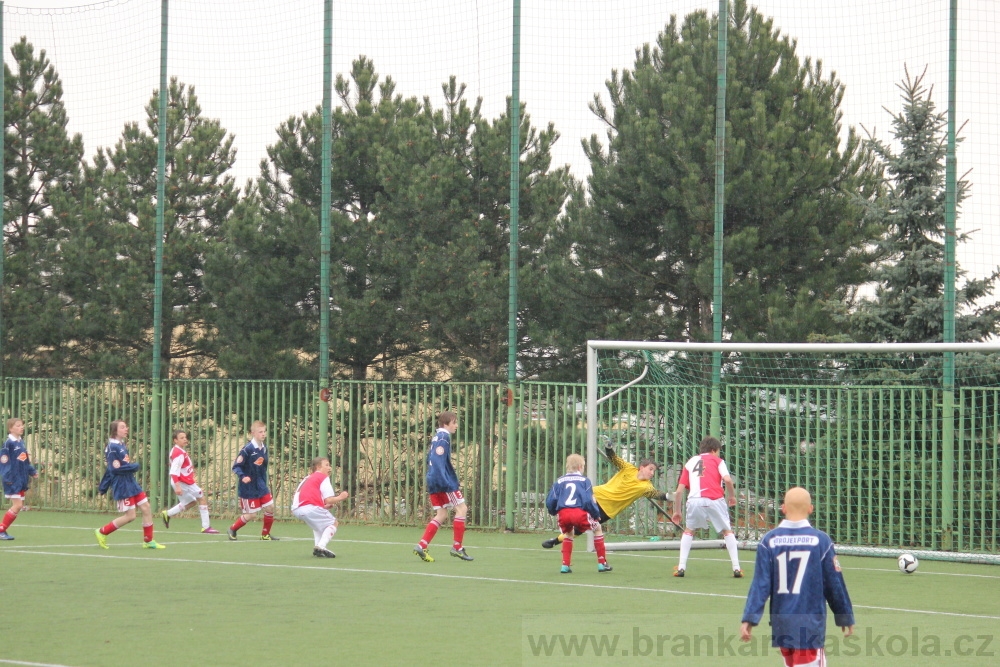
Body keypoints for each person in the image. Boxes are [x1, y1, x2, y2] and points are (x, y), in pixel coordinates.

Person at [740, 486, 855, 666]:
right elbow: (834, 583)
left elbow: (760, 584)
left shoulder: (768, 541)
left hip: (782, 622)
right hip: (809, 623)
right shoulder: (821, 541)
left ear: (783, 508)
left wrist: (749, 618)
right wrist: (844, 615)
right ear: (811, 509)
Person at [541, 442, 669, 556]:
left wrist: (670, 496)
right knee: (571, 511)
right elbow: (614, 459)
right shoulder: (629, 468)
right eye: (651, 469)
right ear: (642, 467)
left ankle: (555, 541)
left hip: (607, 510)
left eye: (654, 471)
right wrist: (609, 448)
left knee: (580, 529)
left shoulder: (647, 487)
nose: (652, 473)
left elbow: (658, 495)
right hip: (596, 495)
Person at [671, 435, 742, 577]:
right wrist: (732, 496)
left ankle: (681, 567)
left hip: (694, 500)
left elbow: (679, 491)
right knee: (727, 531)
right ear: (714, 450)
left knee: (689, 531)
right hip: (715, 499)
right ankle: (736, 568)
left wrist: (677, 511)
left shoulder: (690, 462)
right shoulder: (718, 461)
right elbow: (728, 480)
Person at [412, 411, 473, 562]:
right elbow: (437, 459)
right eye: (454, 423)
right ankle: (457, 547)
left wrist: (432, 475)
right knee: (462, 509)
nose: (456, 425)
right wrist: (445, 481)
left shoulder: (436, 437)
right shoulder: (444, 437)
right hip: (442, 481)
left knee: (442, 514)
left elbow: (429, 458)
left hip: (433, 479)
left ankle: (422, 545)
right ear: (446, 424)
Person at [95, 420, 165, 549]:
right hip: (122, 485)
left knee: (146, 507)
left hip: (130, 482)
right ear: (115, 431)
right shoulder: (112, 447)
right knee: (130, 516)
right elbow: (114, 469)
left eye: (126, 426)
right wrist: (133, 467)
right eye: (122, 427)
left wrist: (130, 468)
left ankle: (148, 541)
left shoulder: (121, 445)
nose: (126, 429)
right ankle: (102, 531)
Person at [544, 453, 611, 573]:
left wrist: (553, 511)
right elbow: (588, 500)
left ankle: (565, 565)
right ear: (580, 467)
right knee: (598, 529)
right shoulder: (585, 481)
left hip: (564, 513)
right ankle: (602, 563)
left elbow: (551, 500)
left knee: (569, 534)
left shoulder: (559, 481)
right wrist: (596, 515)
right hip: (579, 513)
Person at [159, 429, 220, 534]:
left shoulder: (176, 450)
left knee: (191, 502)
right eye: (181, 438)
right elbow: (174, 471)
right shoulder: (179, 453)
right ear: (175, 440)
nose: (185, 440)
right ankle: (206, 527)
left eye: (185, 437)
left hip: (182, 481)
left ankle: (168, 514)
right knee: (202, 498)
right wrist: (178, 486)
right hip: (183, 482)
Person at [229, 420, 278, 540]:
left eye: (264, 431)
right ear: (253, 433)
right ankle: (233, 528)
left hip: (260, 485)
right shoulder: (247, 449)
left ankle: (265, 534)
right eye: (260, 432)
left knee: (270, 507)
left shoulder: (264, 448)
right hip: (248, 488)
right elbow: (236, 466)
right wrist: (243, 476)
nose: (263, 434)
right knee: (251, 515)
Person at [291, 456, 349, 558]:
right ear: (318, 467)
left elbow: (306, 495)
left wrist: (323, 506)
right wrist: (341, 497)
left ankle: (318, 549)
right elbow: (329, 499)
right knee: (333, 522)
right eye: (326, 465)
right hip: (308, 507)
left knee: (318, 525)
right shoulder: (322, 477)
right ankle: (321, 546)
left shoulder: (308, 478)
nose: (329, 468)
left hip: (296, 509)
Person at [0, 418, 39, 541]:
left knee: (18, 505)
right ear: (11, 428)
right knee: (18, 505)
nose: (21, 427)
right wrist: (8, 478)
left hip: (21, 479)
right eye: (18, 426)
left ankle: (2, 530)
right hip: (12, 479)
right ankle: (1, 530)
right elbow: (4, 462)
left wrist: (32, 471)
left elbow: (24, 460)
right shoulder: (8, 443)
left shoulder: (20, 442)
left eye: (22, 425)